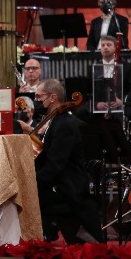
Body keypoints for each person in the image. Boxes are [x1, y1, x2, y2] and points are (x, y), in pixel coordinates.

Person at [33, 79, 102, 243]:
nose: (36, 100)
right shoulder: (56, 121)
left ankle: (41, 238)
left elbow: (55, 166)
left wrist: (31, 182)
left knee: (28, 198)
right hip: (61, 184)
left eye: (38, 97)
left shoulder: (64, 124)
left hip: (69, 189)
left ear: (52, 97)